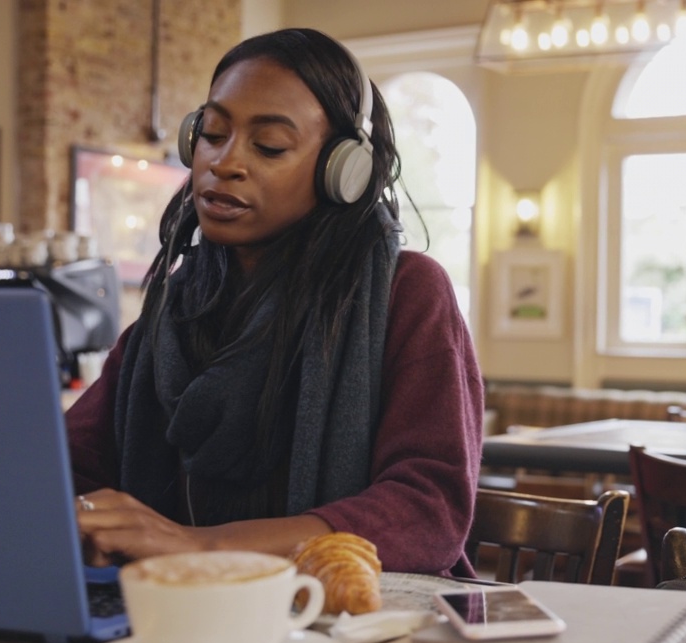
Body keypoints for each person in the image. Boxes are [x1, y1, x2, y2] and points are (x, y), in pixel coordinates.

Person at [64, 28, 481, 578]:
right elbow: (68, 467)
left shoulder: (409, 292)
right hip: (182, 616)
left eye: (270, 146)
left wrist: (201, 548)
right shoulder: (174, 306)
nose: (224, 162)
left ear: (344, 171)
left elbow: (428, 511)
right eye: (211, 134)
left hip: (359, 624)